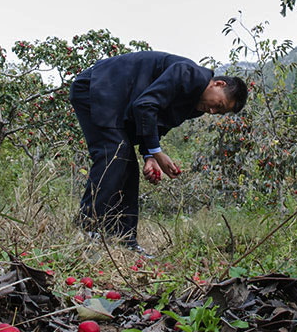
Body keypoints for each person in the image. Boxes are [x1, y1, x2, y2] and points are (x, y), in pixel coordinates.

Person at [69, 50, 248, 249]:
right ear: (218, 84)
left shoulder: (195, 106)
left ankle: (125, 240)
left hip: (116, 105)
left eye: (219, 112)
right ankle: (87, 227)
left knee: (127, 163)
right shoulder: (189, 73)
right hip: (96, 88)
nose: (212, 111)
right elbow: (145, 105)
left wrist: (149, 155)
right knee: (114, 154)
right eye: (219, 104)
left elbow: (158, 122)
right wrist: (157, 152)